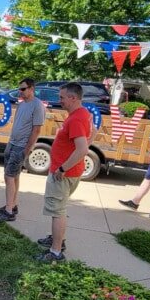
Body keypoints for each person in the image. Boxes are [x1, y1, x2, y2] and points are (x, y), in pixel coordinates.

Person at [35, 83, 93, 262]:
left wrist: (62, 168)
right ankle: (57, 240)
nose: (59, 100)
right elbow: (91, 137)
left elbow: (82, 149)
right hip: (69, 172)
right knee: (59, 209)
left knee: (57, 211)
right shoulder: (82, 115)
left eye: (62, 97)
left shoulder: (76, 118)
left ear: (73, 98)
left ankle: (56, 252)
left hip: (63, 174)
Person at [0, 78, 45, 222]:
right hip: (12, 143)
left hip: (21, 146)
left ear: (31, 89)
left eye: (23, 89)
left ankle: (9, 211)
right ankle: (13, 204)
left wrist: (27, 149)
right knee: (13, 176)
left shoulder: (37, 106)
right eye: (19, 88)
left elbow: (36, 130)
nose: (20, 91)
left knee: (9, 176)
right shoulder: (22, 105)